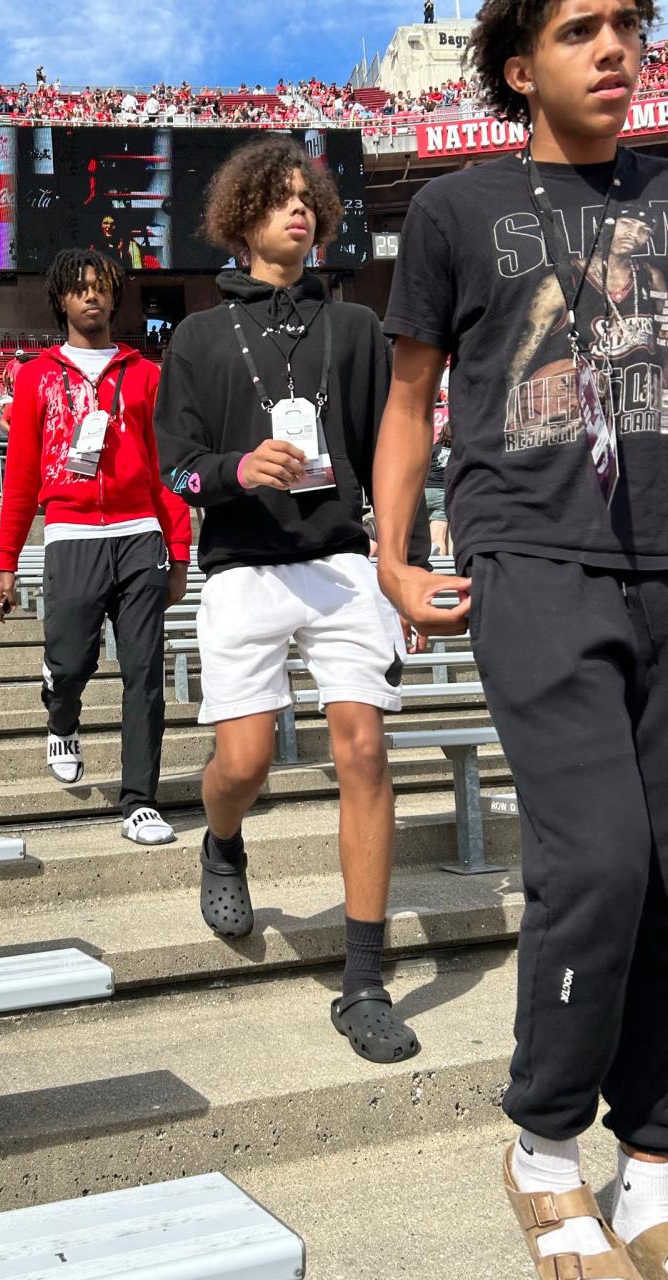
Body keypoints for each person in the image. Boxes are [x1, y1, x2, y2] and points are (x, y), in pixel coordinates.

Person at [374, 2, 668, 1276]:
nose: (615, 48)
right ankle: (543, 1142)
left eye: (632, 24)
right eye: (582, 28)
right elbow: (408, 399)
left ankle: (652, 1156)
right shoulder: (453, 209)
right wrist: (393, 553)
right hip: (534, 553)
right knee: (599, 858)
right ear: (518, 67)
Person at [153, 136, 428, 1061]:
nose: (299, 209)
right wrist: (237, 468)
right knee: (246, 759)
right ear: (239, 220)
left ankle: (362, 980)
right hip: (238, 566)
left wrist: (406, 568)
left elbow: (393, 458)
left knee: (363, 747)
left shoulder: (355, 330)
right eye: (277, 198)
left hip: (342, 562)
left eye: (308, 197)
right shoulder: (193, 337)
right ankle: (222, 840)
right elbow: (178, 476)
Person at [0, 248, 192, 846]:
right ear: (61, 299)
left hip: (139, 535)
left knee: (144, 674)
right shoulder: (35, 377)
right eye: (79, 288)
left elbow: (169, 469)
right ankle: (61, 714)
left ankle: (139, 802)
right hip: (72, 535)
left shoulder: (147, 374)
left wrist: (178, 548)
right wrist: (6, 563)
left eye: (101, 286)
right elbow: (23, 475)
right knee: (72, 662)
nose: (91, 296)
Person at [424, 421, 452, 555]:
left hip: (425, 491)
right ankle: (440, 569)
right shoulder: (459, 451)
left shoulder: (433, 449)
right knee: (438, 537)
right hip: (443, 493)